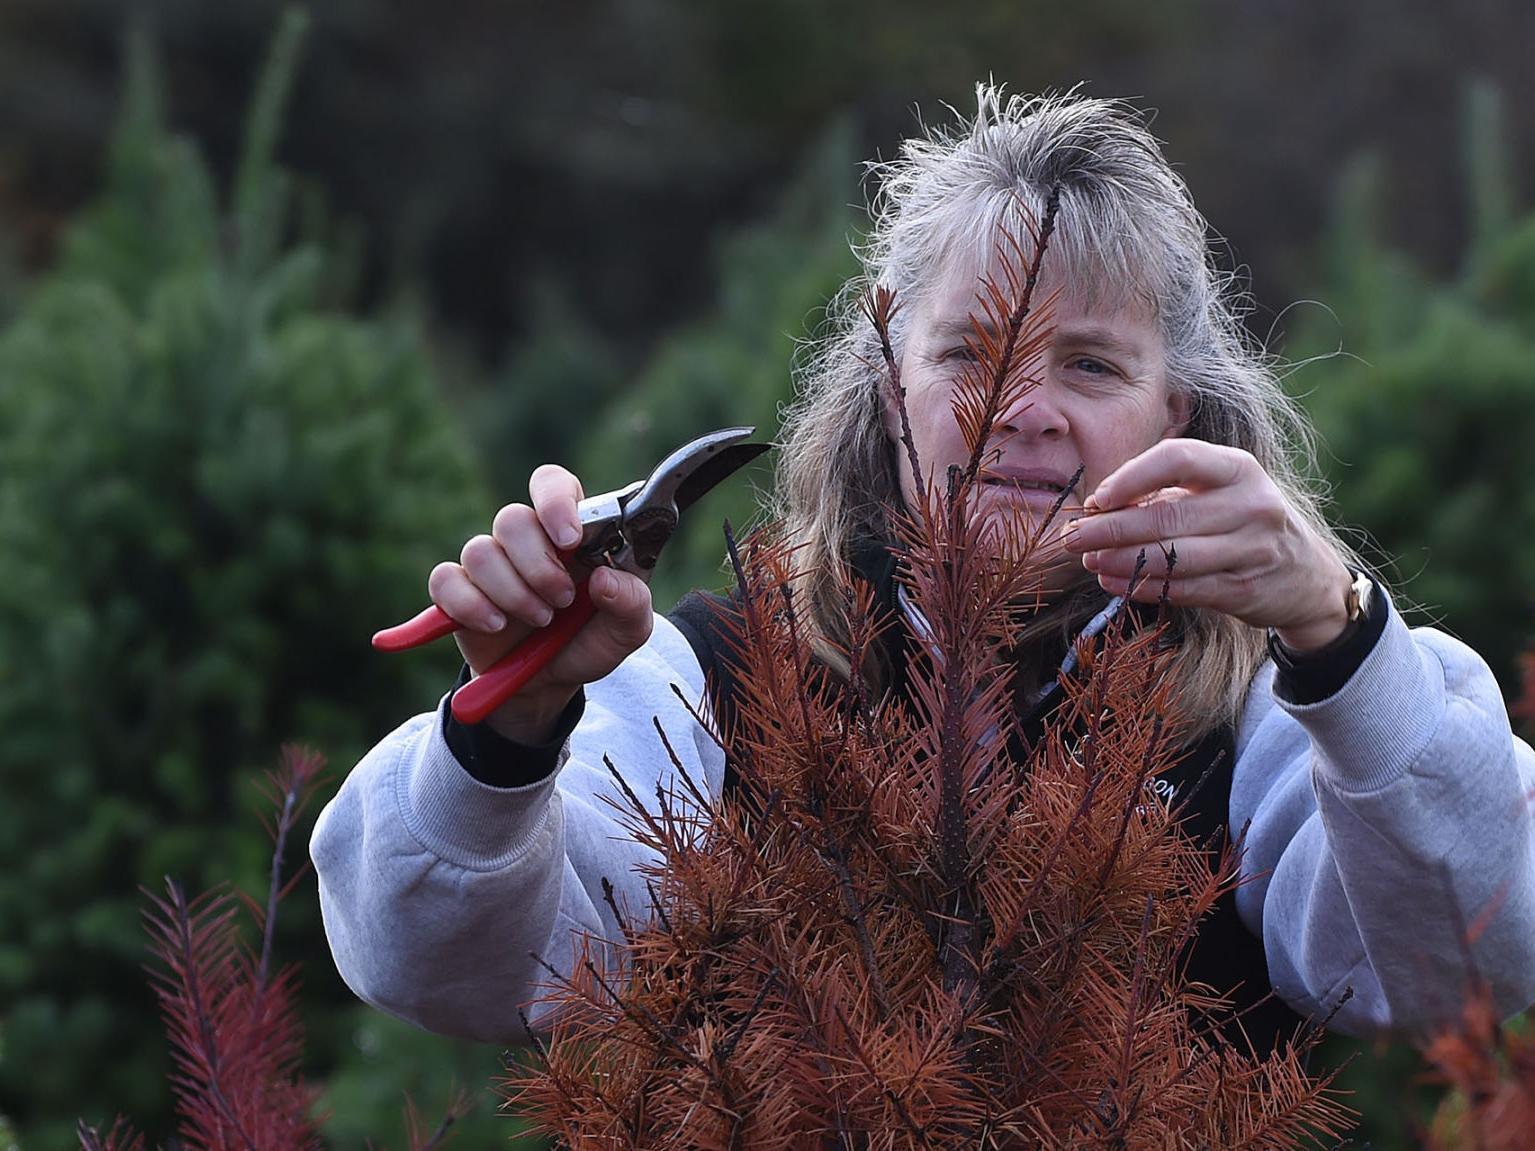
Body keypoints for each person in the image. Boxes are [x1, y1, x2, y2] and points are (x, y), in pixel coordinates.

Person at [310, 87, 1535, 1053]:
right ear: (887, 384)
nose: (1022, 409)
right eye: (969, 353)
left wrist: (1339, 628)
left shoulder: (1276, 714)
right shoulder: (704, 680)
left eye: (1092, 368)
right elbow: (435, 963)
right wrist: (510, 729)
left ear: (1180, 408)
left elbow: (1463, 959)